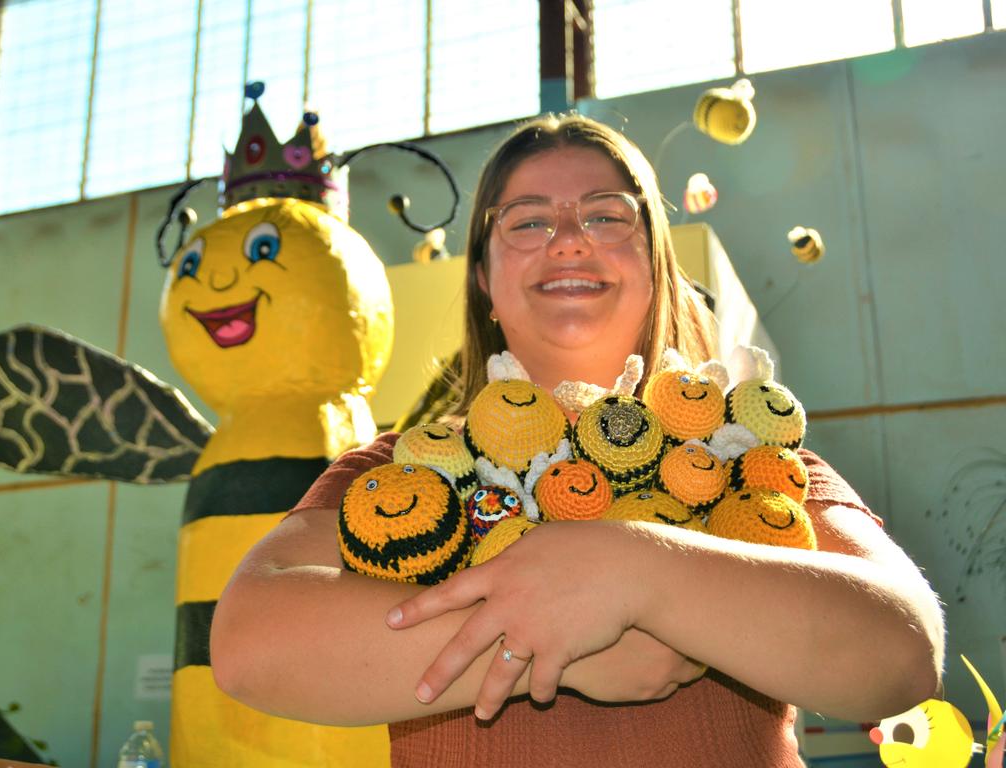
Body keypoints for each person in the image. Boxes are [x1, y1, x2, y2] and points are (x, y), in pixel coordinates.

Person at [210, 114, 944, 767]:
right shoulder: (402, 471)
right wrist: (543, 637)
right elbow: (250, 641)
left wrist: (636, 569)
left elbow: (902, 653)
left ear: (655, 269)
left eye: (606, 217)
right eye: (527, 223)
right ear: (485, 285)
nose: (566, 240)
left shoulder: (747, 458)